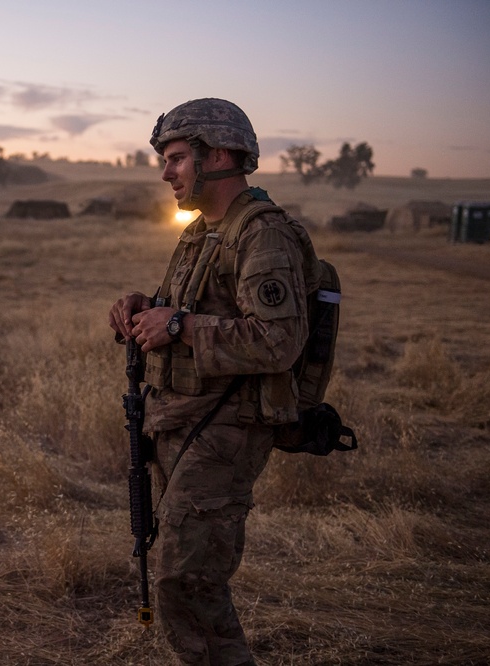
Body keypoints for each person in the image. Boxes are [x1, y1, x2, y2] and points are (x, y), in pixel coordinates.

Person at [109, 98, 323, 666]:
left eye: (177, 158)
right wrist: (147, 307)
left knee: (187, 581)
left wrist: (176, 324)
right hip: (183, 420)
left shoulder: (264, 235)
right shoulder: (203, 232)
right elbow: (204, 308)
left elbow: (279, 341)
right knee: (187, 576)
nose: (166, 172)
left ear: (220, 156)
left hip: (228, 428)